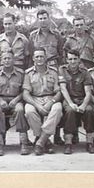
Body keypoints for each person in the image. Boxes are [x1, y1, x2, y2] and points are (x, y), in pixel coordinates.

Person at [29, 9, 65, 145]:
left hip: (54, 67)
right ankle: (41, 136)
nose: (43, 21)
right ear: (37, 20)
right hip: (38, 68)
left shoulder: (57, 35)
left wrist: (60, 71)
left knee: (57, 100)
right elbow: (30, 55)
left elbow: (61, 53)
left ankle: (57, 135)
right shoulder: (33, 36)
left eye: (45, 18)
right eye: (40, 18)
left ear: (49, 19)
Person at [59, 50, 94, 154]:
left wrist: (83, 105)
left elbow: (88, 92)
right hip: (69, 99)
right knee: (69, 112)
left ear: (79, 60)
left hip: (83, 99)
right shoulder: (62, 70)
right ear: (66, 60)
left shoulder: (85, 72)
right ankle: (68, 144)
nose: (72, 61)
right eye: (70, 59)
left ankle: (90, 143)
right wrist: (70, 103)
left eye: (75, 59)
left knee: (89, 111)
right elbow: (63, 89)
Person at [23, 47, 63, 155]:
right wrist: (37, 105)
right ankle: (46, 141)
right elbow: (25, 94)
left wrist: (52, 102)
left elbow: (59, 92)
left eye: (41, 56)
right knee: (29, 110)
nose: (39, 59)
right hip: (35, 98)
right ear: (33, 58)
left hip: (51, 98)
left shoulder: (54, 71)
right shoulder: (28, 73)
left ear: (45, 58)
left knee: (58, 108)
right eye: (37, 57)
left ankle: (40, 141)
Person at [0, 51, 30, 156]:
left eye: (9, 58)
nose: (7, 61)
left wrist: (16, 100)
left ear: (13, 60)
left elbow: (25, 91)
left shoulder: (21, 73)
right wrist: (0, 100)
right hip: (0, 99)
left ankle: (23, 142)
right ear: (1, 60)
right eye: (4, 58)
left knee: (20, 110)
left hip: (16, 99)